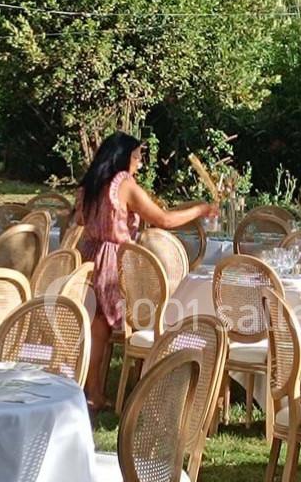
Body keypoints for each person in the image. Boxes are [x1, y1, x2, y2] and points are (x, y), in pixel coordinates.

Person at [74, 132, 216, 410]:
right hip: (116, 262)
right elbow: (163, 219)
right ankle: (145, 384)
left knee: (97, 326)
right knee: (148, 310)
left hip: (88, 257)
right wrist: (200, 209)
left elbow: (79, 218)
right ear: (122, 157)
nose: (139, 163)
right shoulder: (123, 184)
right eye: (137, 156)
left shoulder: (91, 182)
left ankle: (92, 392)